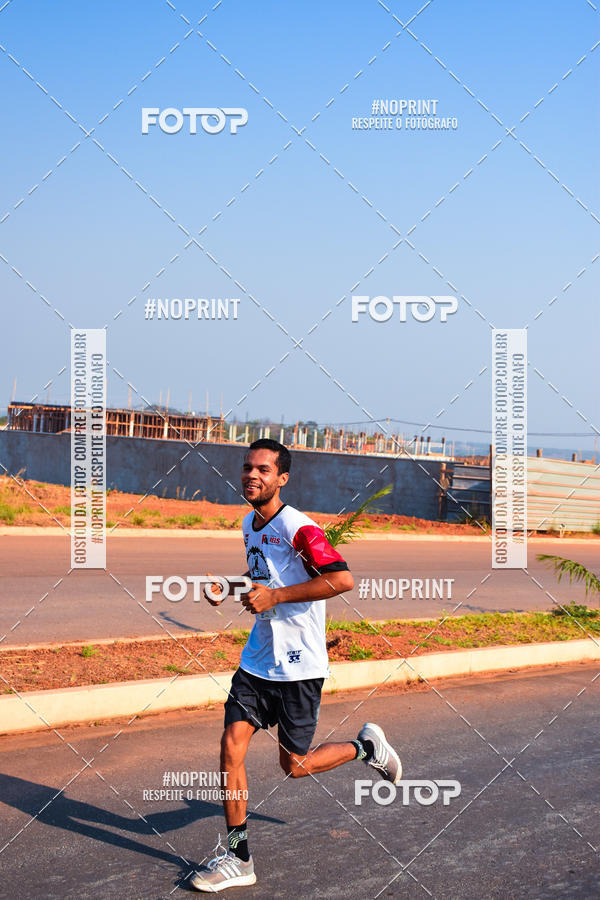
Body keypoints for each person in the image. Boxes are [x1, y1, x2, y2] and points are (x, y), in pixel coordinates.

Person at [190, 439, 401, 892]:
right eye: (247, 467)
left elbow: (341, 579)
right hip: (257, 660)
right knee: (231, 746)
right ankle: (238, 858)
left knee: (296, 765)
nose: (252, 475)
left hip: (299, 666)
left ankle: (367, 749)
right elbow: (265, 578)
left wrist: (277, 597)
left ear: (281, 478)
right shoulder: (249, 524)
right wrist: (228, 586)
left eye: (263, 469)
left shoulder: (298, 527)